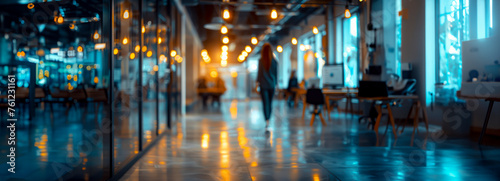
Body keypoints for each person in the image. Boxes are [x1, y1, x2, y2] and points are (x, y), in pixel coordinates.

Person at [257, 43, 278, 125]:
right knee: (270, 102)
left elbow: (259, 74)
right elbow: (276, 75)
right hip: (272, 85)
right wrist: (276, 85)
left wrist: (257, 84)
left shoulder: (260, 61)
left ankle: (267, 120)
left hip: (263, 85)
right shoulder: (275, 62)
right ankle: (268, 118)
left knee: (265, 103)